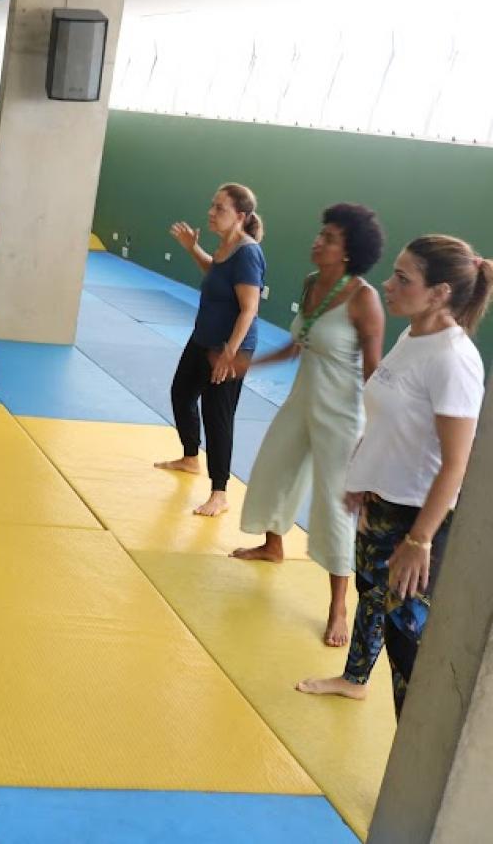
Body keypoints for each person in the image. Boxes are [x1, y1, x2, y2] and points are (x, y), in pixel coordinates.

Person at [297, 236, 489, 717]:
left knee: (407, 643)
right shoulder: (413, 335)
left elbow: (456, 464)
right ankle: (354, 678)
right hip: (382, 502)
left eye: (403, 278)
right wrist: (362, 476)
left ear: (440, 292)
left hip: (419, 517)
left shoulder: (453, 360)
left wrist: (420, 540)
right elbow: (388, 417)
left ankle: (414, 768)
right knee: (370, 594)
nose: (388, 284)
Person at [233, 205, 386, 647]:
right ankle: (272, 544)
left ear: (349, 251)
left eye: (330, 238)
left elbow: (372, 373)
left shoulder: (363, 298)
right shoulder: (311, 283)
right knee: (274, 468)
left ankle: (339, 606)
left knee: (335, 504)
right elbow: (297, 345)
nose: (318, 242)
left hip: (342, 414)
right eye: (321, 234)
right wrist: (250, 363)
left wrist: (372, 436)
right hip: (301, 400)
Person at [154, 183, 267, 516]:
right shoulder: (224, 248)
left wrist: (230, 354)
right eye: (212, 205)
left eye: (220, 208)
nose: (211, 212)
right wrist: (193, 248)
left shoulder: (247, 252)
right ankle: (191, 457)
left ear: (241, 216)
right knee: (181, 393)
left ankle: (220, 492)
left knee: (217, 417)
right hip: (201, 340)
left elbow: (249, 308)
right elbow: (217, 277)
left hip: (227, 350)